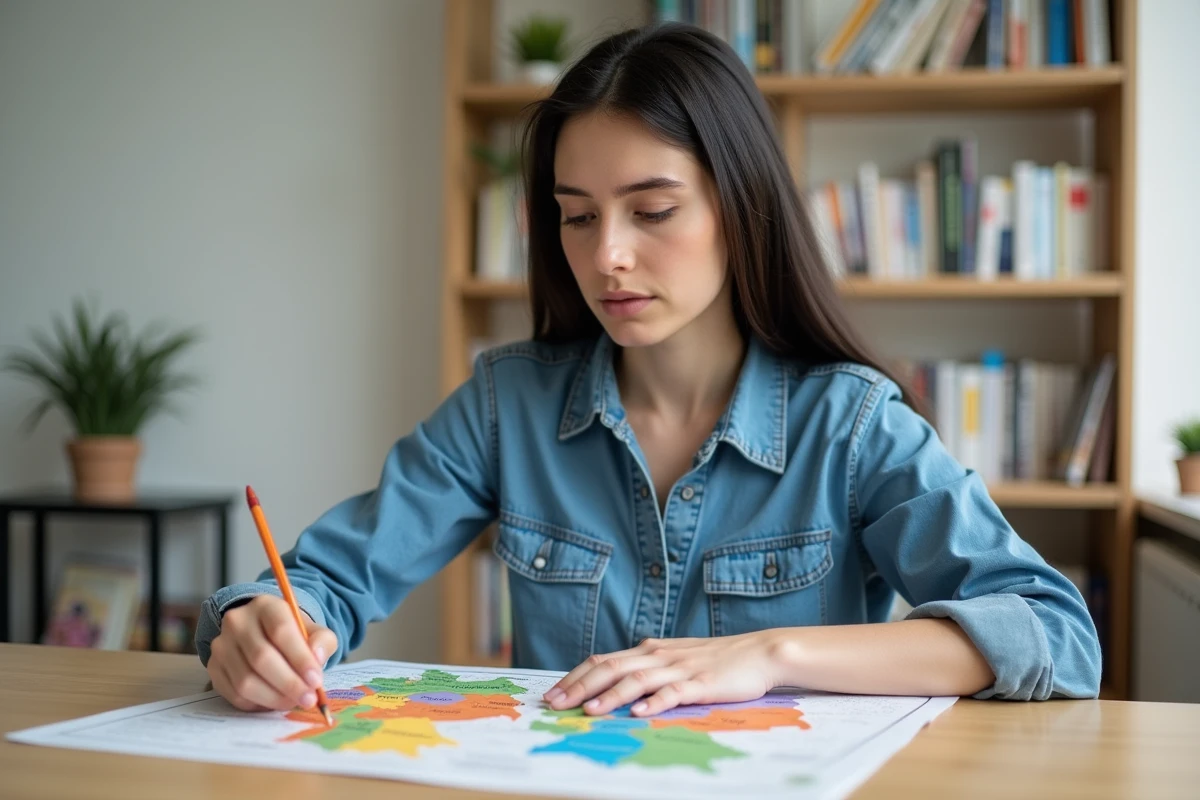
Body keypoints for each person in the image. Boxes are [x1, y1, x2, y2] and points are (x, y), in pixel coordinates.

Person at [196, 22, 1101, 717]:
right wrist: (263, 626)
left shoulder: (852, 424)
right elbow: (327, 580)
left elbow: (1054, 634)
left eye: (653, 210)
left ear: (738, 207)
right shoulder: (509, 404)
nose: (608, 258)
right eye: (578, 216)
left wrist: (771, 654)